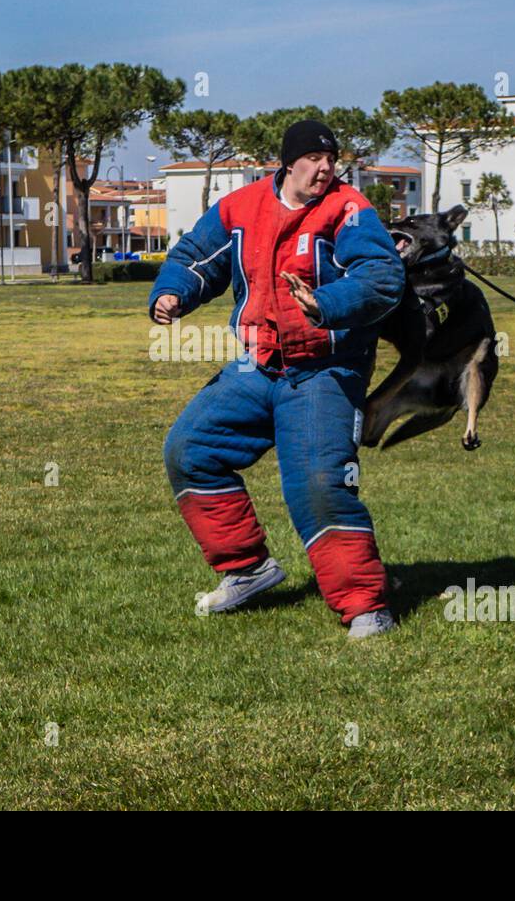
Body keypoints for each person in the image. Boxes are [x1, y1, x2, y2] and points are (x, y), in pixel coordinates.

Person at [149, 120, 406, 637]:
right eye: (315, 158)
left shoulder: (349, 209)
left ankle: (366, 608)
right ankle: (247, 570)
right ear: (289, 162)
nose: (326, 168)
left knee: (317, 484)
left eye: (332, 159)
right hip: (257, 366)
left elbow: (383, 277)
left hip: (325, 372)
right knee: (190, 451)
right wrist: (173, 291)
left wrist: (326, 303)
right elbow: (196, 256)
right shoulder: (240, 207)